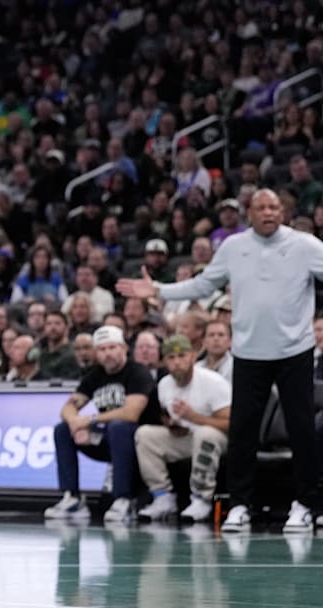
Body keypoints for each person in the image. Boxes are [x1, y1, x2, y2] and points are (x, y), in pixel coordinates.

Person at [117, 188, 322, 533]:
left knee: (302, 432)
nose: (269, 213)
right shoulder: (233, 247)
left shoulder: (305, 245)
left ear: (283, 212)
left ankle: (306, 505)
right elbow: (204, 284)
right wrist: (159, 291)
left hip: (294, 352)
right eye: (261, 208)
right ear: (249, 213)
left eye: (274, 207)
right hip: (248, 353)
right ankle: (240, 505)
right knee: (242, 433)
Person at [44, 326, 154, 524]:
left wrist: (90, 420)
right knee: (62, 430)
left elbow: (131, 413)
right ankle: (72, 498)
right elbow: (67, 408)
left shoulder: (138, 372)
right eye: (102, 349)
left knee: (118, 426)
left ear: (123, 348)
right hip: (109, 438)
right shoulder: (95, 376)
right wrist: (75, 424)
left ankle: (123, 499)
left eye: (112, 348)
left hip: (138, 440)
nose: (107, 354)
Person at [135, 335, 230, 523]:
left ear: (193, 356)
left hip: (221, 439)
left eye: (182, 356)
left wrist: (194, 417)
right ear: (163, 361)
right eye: (171, 358)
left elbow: (231, 423)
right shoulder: (164, 385)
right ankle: (162, 496)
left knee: (205, 434)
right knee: (145, 434)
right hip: (188, 436)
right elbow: (167, 415)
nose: (177, 362)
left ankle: (201, 499)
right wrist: (173, 425)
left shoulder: (214, 382)